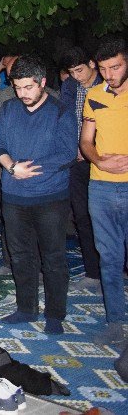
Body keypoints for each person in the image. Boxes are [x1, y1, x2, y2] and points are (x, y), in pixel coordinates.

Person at [0, 55, 77, 335]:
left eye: (28, 87)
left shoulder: (60, 111)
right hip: (14, 195)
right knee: (20, 255)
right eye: (17, 87)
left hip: (50, 196)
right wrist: (11, 167)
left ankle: (55, 314)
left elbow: (66, 153)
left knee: (53, 257)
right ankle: (26, 308)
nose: (22, 93)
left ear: (42, 82)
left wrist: (29, 169)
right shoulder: (7, 109)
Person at [80, 37, 128, 347]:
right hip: (100, 187)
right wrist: (98, 159)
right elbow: (86, 141)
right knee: (109, 258)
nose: (109, 74)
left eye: (116, 67)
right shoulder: (93, 95)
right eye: (104, 69)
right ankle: (115, 323)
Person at [58, 46, 103, 293]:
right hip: (77, 162)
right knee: (83, 215)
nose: (76, 76)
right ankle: (93, 272)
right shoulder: (70, 87)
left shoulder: (108, 85)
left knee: (109, 216)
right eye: (71, 72)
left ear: (91, 64)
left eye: (79, 70)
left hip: (104, 160)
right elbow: (65, 119)